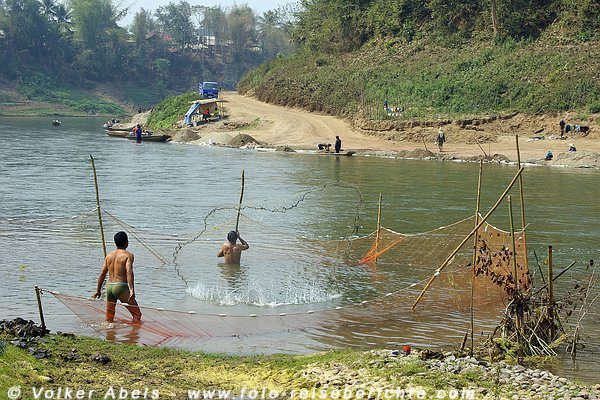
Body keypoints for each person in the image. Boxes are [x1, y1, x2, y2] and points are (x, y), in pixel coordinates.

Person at [93, 231, 141, 324]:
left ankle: (109, 335)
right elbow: (129, 271)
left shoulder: (109, 256)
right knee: (137, 314)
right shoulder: (128, 255)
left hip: (110, 287)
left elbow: (102, 274)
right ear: (127, 242)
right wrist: (131, 290)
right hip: (120, 287)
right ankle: (133, 336)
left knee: (109, 316)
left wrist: (98, 290)